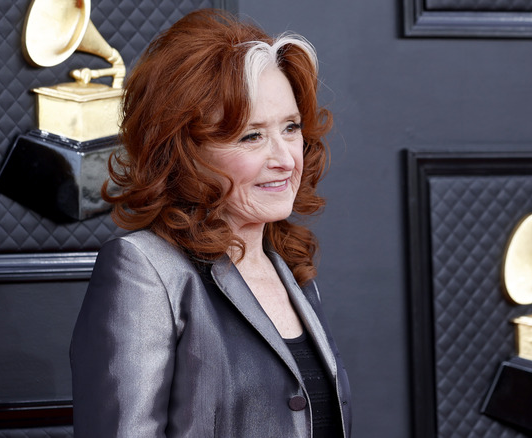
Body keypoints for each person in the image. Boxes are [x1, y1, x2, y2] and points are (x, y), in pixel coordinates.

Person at [70, 8, 351, 437]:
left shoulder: (292, 270)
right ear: (186, 150)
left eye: (290, 128)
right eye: (251, 136)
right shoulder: (144, 270)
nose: (284, 159)